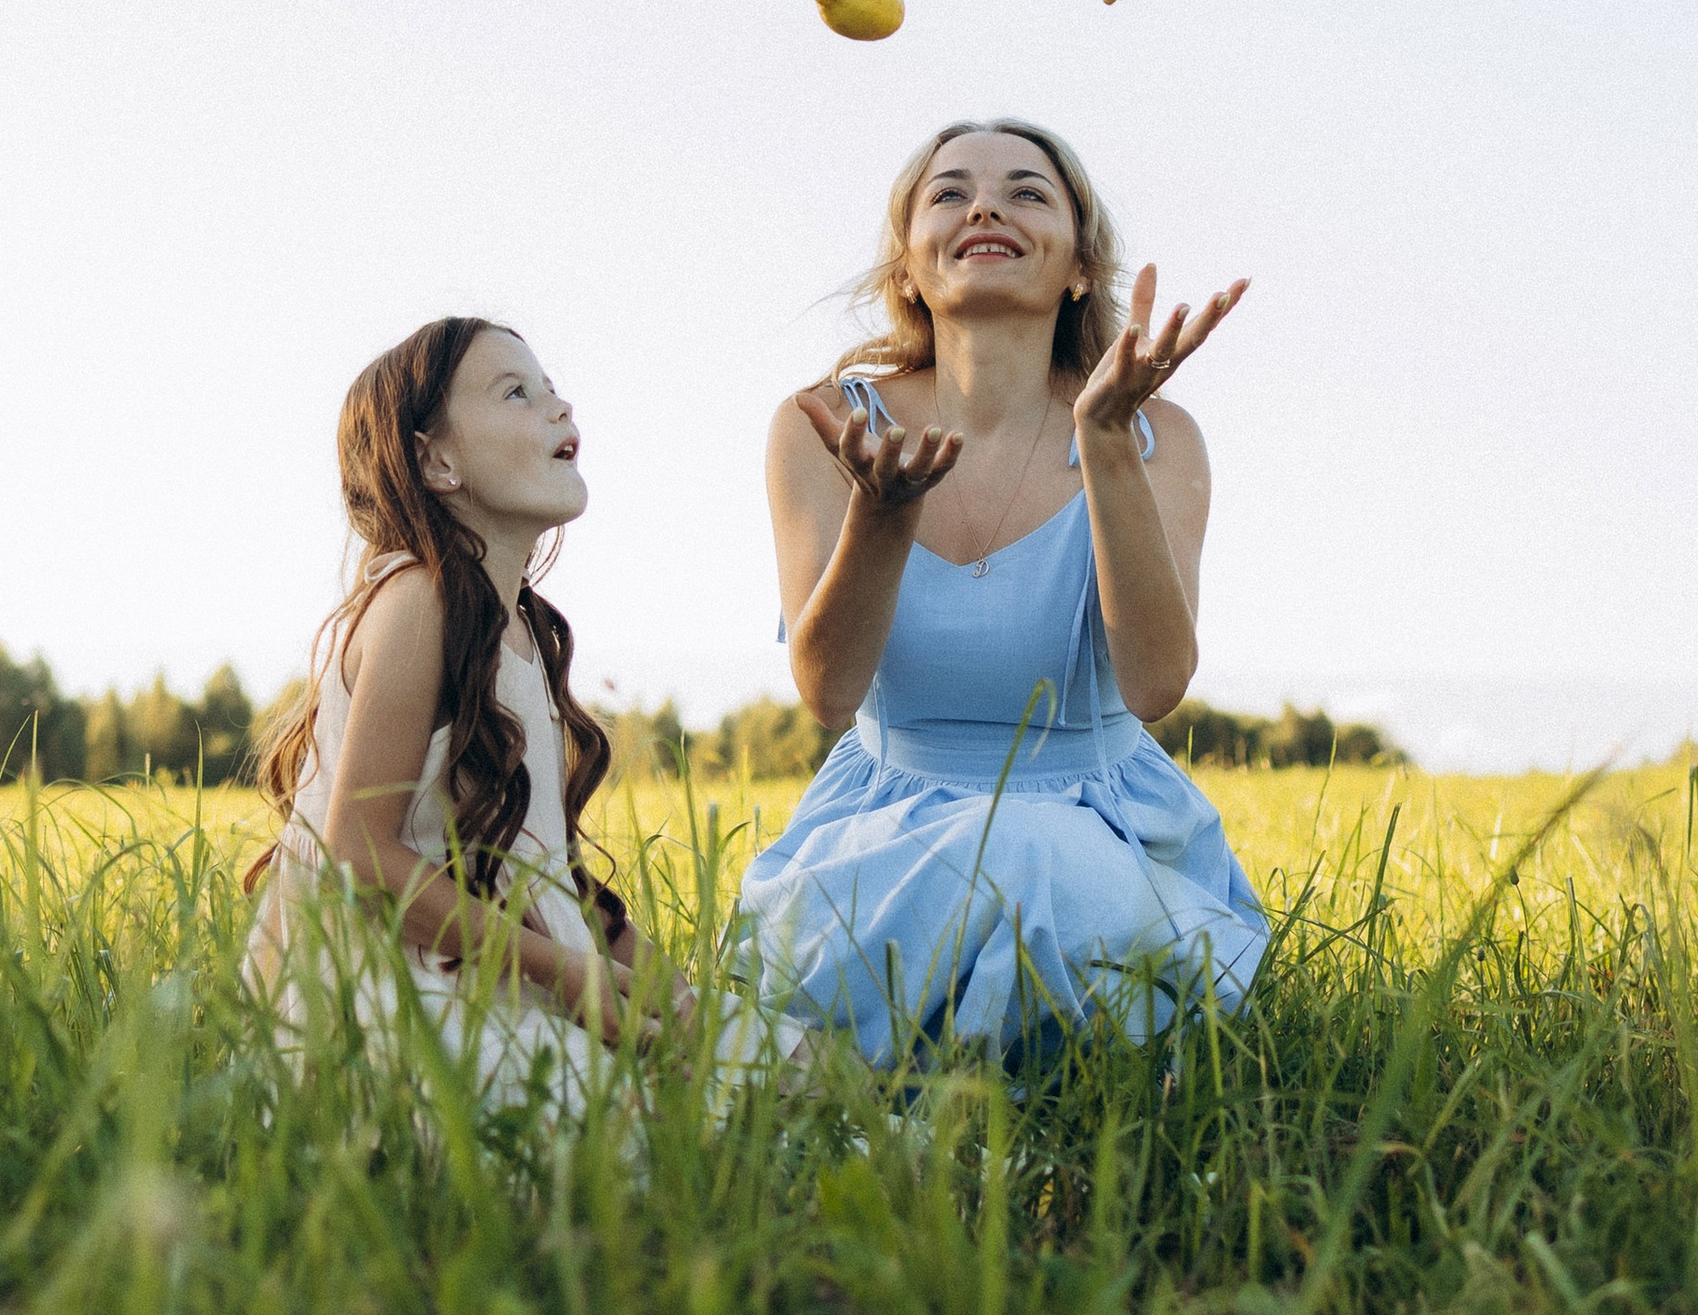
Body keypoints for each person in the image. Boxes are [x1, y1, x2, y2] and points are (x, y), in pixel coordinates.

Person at [738, 120, 1268, 1062]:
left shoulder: (1158, 435)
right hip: (882, 837)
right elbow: (827, 693)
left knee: (1027, 849)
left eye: (1027, 192)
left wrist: (1105, 440)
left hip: (1101, 837)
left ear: (1079, 266)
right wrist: (883, 515)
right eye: (950, 193)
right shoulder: (825, 424)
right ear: (909, 266)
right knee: (994, 858)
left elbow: (1155, 685)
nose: (985, 207)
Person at [242, 313, 676, 1092]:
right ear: (437, 460)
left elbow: (549, 876)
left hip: (510, 971)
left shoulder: (521, 629)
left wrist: (681, 1002)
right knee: (643, 1123)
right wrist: (564, 973)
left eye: (551, 388)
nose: (560, 407)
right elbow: (359, 852)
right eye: (517, 393)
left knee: (797, 1068)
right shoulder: (418, 601)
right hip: (395, 1001)